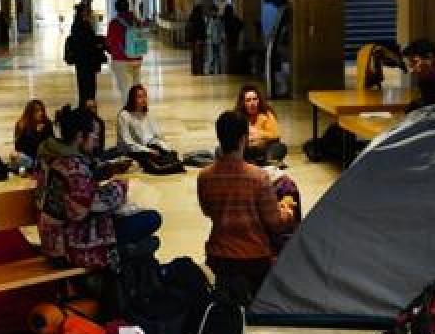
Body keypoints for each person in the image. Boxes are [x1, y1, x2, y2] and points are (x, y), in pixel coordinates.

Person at [36, 105, 161, 269]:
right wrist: (120, 187)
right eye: (94, 137)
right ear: (80, 136)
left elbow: (74, 188)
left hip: (54, 236)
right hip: (69, 245)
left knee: (146, 239)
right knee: (152, 219)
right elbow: (86, 206)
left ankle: (131, 252)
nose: (96, 143)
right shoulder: (71, 167)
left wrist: (106, 171)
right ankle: (123, 254)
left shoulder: (50, 155)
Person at [197, 111, 298, 296]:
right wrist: (288, 208)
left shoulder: (204, 177)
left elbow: (208, 211)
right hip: (254, 257)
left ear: (219, 137)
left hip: (218, 256)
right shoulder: (258, 177)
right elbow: (275, 223)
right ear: (244, 138)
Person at [116, 85, 184, 175]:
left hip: (148, 147)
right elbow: (128, 143)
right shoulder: (124, 115)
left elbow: (156, 136)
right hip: (132, 150)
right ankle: (171, 167)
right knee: (152, 164)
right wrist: (148, 150)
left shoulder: (146, 113)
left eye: (145, 96)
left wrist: (166, 148)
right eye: (140, 97)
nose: (143, 99)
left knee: (169, 154)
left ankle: (172, 165)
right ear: (132, 99)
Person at [234, 85, 287, 167]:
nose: (252, 103)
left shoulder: (267, 113)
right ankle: (255, 164)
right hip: (247, 151)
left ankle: (269, 162)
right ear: (243, 103)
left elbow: (275, 134)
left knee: (280, 147)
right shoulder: (238, 116)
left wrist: (259, 134)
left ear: (259, 100)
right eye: (248, 100)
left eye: (255, 99)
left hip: (265, 150)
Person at [68, 4, 106, 106]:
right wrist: (99, 41)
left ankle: (86, 103)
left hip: (83, 61)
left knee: (85, 84)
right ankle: (87, 104)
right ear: (83, 13)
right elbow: (87, 41)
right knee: (87, 85)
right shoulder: (81, 25)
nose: (90, 14)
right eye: (88, 12)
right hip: (85, 61)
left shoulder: (79, 24)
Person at [105, 0, 144, 96]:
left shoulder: (114, 23)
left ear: (116, 8)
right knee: (136, 88)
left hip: (121, 59)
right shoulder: (136, 21)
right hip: (137, 58)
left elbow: (110, 41)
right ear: (128, 7)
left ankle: (129, 110)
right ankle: (138, 108)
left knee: (126, 89)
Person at [13, 99, 54, 173]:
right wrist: (36, 133)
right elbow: (18, 147)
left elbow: (50, 144)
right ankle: (32, 167)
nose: (40, 113)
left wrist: (40, 134)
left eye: (42, 110)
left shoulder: (47, 124)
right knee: (15, 156)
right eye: (37, 111)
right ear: (30, 113)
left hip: (42, 157)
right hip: (28, 157)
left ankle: (31, 168)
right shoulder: (22, 125)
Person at [222, 4, 244, 74]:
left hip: (228, 39)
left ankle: (228, 69)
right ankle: (232, 69)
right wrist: (237, 31)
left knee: (228, 55)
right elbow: (241, 24)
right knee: (233, 54)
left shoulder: (224, 19)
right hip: (234, 39)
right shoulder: (234, 18)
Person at [185, 5, 207, 75]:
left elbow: (188, 29)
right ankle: (200, 71)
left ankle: (194, 71)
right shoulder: (200, 19)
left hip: (192, 40)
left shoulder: (191, 18)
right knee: (200, 55)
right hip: (198, 40)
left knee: (194, 55)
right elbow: (201, 29)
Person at [204, 5, 225, 74]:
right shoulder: (209, 20)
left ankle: (219, 69)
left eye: (215, 11)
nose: (214, 13)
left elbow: (222, 30)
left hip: (218, 40)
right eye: (212, 11)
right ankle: (211, 69)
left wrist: (222, 37)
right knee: (211, 56)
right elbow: (207, 30)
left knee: (218, 55)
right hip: (210, 40)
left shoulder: (219, 20)